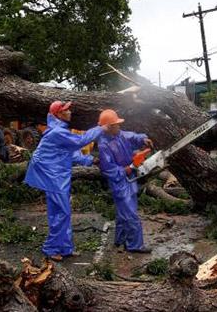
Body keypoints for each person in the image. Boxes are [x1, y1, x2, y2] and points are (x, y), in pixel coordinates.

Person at [24, 100, 105, 261]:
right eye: (66, 110)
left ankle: (65, 248)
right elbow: (80, 141)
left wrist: (90, 160)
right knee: (62, 211)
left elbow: (70, 152)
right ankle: (51, 248)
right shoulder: (57, 132)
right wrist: (101, 128)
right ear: (58, 114)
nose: (70, 112)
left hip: (57, 174)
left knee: (60, 212)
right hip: (51, 175)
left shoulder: (59, 130)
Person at [96, 109, 153, 253]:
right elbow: (108, 169)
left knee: (123, 212)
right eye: (116, 124)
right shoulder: (104, 145)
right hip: (119, 181)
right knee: (130, 214)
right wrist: (125, 170)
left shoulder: (120, 135)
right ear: (108, 127)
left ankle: (120, 239)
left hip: (130, 177)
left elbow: (132, 136)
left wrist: (142, 139)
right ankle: (135, 245)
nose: (119, 126)